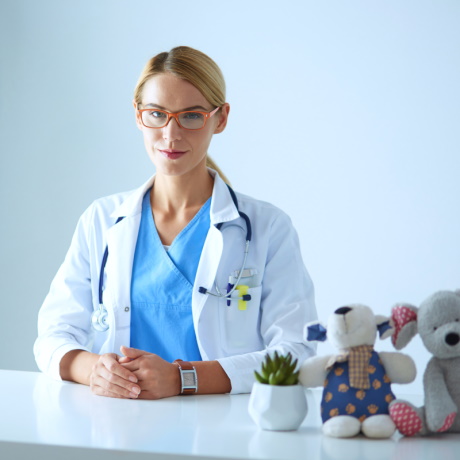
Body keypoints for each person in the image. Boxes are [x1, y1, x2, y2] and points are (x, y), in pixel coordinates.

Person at [34, 46, 317, 400]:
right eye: (157, 114)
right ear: (138, 115)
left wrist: (183, 379)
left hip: (222, 425)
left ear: (220, 118)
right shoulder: (101, 220)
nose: (171, 134)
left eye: (192, 116)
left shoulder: (267, 228)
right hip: (118, 420)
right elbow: (52, 336)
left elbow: (296, 350)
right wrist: (95, 370)